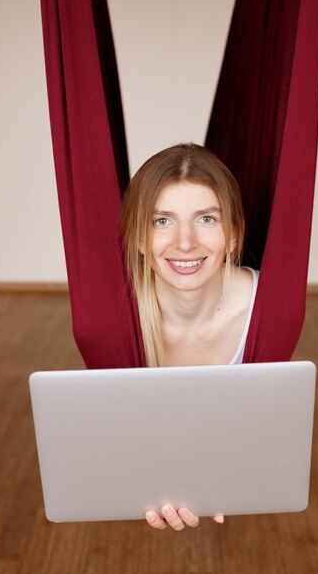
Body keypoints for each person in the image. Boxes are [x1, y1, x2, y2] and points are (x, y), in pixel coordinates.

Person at [119, 143, 259, 531]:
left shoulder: (268, 311)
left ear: (233, 235)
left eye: (206, 219)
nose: (184, 241)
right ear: (139, 239)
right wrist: (155, 480)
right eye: (162, 220)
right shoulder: (116, 322)